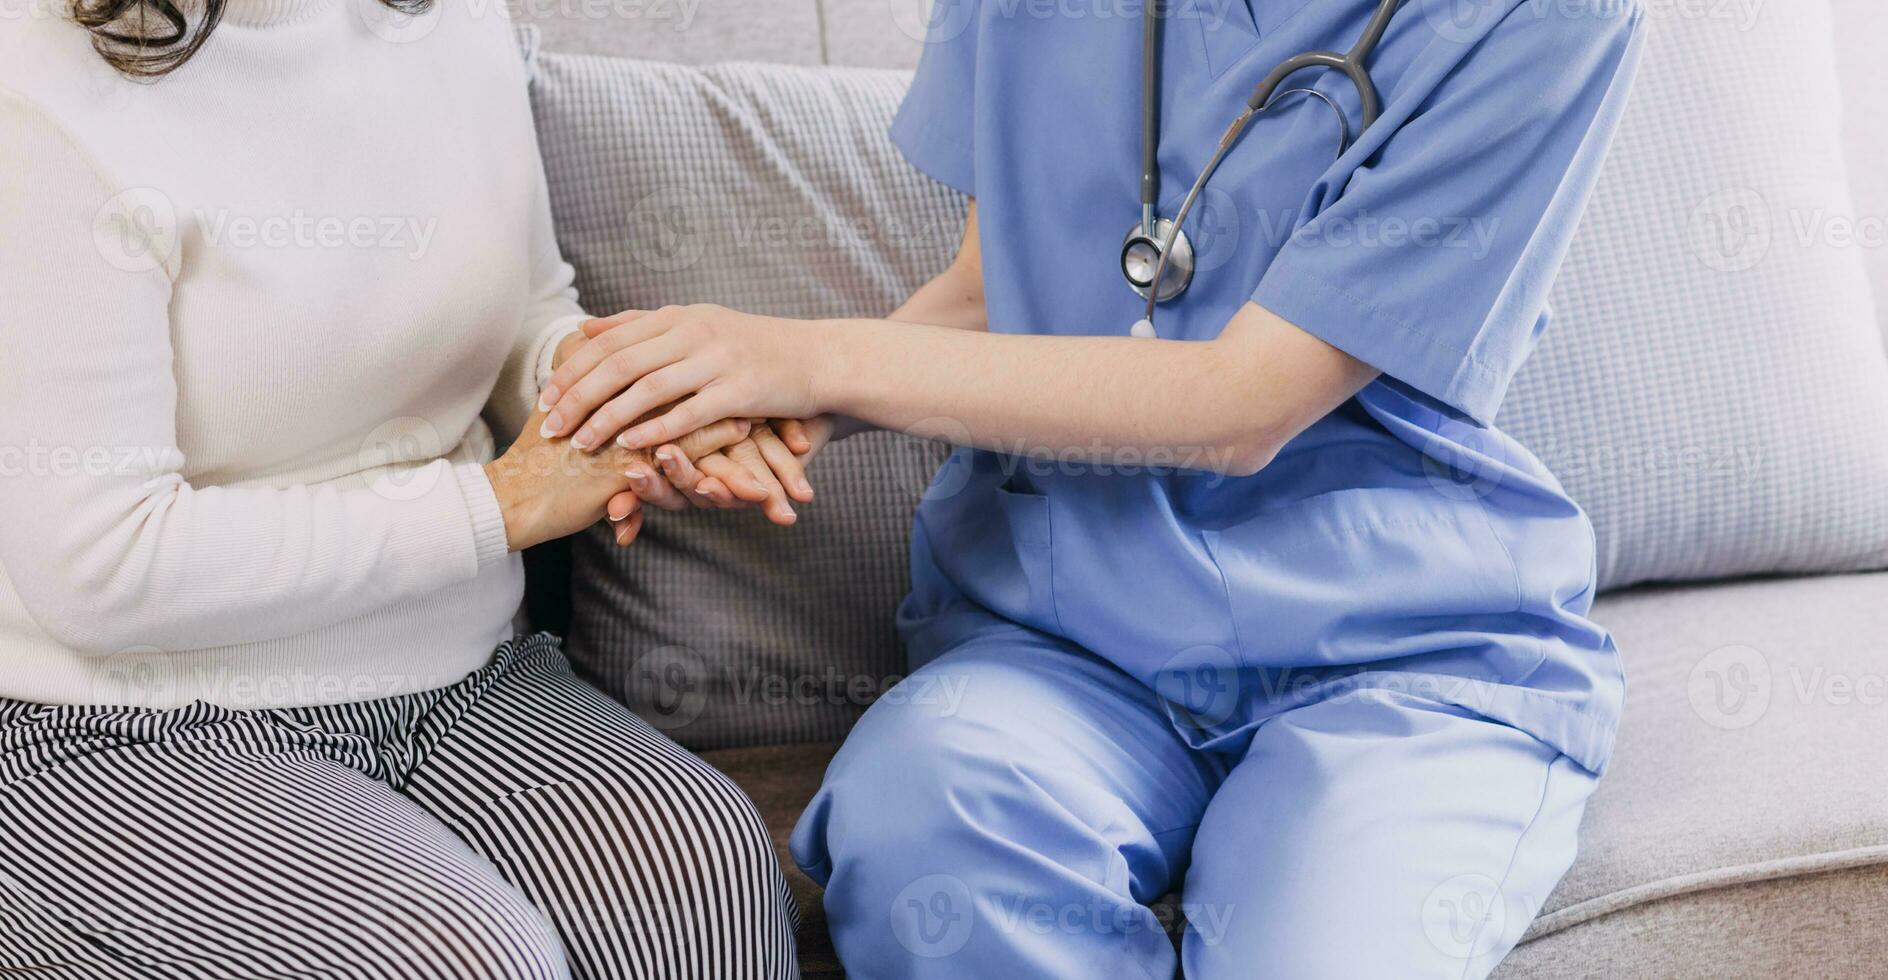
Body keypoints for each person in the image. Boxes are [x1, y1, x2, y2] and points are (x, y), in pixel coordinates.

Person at [536, 0, 1648, 975]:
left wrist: (809, 356)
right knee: (919, 819)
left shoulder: (1543, 16)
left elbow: (1245, 403)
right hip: (1072, 632)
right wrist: (766, 414)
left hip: (1394, 647)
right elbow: (990, 291)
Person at [0, 0, 811, 975]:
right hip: (112, 722)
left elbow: (524, 304)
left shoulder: (449, 16)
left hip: (460, 676)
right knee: (457, 956)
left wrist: (629, 405)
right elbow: (98, 563)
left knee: (700, 866)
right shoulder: (36, 81)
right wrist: (505, 503)